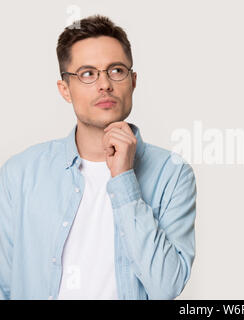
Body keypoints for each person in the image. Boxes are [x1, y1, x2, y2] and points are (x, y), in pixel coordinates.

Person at [0, 14, 197, 300]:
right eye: (88, 74)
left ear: (133, 81)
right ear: (65, 89)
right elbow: (5, 284)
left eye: (116, 70)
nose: (104, 84)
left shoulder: (172, 174)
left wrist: (124, 180)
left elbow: (166, 287)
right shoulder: (19, 174)